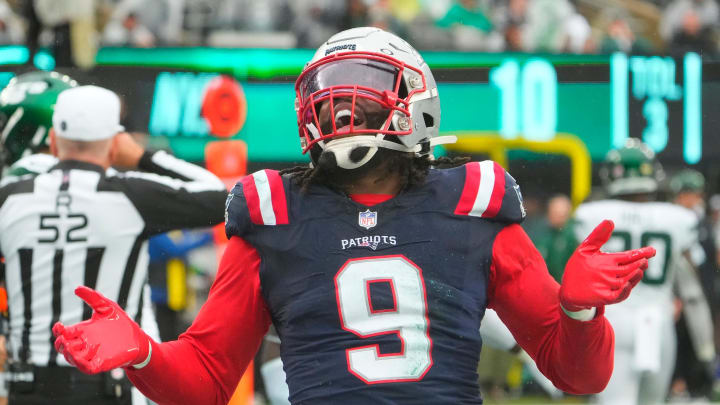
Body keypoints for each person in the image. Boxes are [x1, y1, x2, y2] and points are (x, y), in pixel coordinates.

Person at [53, 27, 655, 404]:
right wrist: (146, 354)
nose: (340, 104)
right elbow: (207, 379)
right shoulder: (273, 212)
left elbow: (580, 377)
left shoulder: (473, 200)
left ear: (417, 102)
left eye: (363, 84)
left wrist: (578, 312)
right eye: (329, 87)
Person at [0, 84, 228, 404]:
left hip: (27, 387)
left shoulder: (11, 196)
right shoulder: (129, 195)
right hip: (106, 386)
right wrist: (141, 156)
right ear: (114, 146)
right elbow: (219, 198)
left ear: (53, 141)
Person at [574, 139, 699, 405]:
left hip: (613, 319)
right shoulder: (678, 218)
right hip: (658, 321)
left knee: (614, 400)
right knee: (652, 401)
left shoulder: (590, 214)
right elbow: (690, 276)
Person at [669, 169, 717, 400]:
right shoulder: (673, 221)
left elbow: (707, 261)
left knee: (700, 342)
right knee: (674, 341)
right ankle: (676, 383)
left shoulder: (702, 222)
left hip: (699, 293)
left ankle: (699, 384)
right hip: (675, 292)